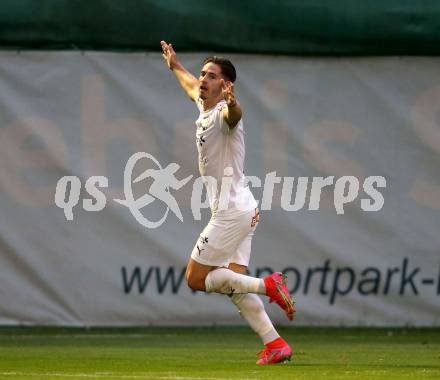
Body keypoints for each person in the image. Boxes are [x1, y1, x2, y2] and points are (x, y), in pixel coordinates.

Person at [160, 40, 295, 364]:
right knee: (234, 286)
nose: (203, 79)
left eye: (211, 76)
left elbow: (235, 115)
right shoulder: (205, 106)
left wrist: (234, 104)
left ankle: (268, 285)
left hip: (232, 212)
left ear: (226, 85)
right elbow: (191, 87)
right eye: (203, 73)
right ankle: (275, 344)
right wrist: (177, 66)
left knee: (195, 278)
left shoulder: (223, 112)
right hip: (244, 208)